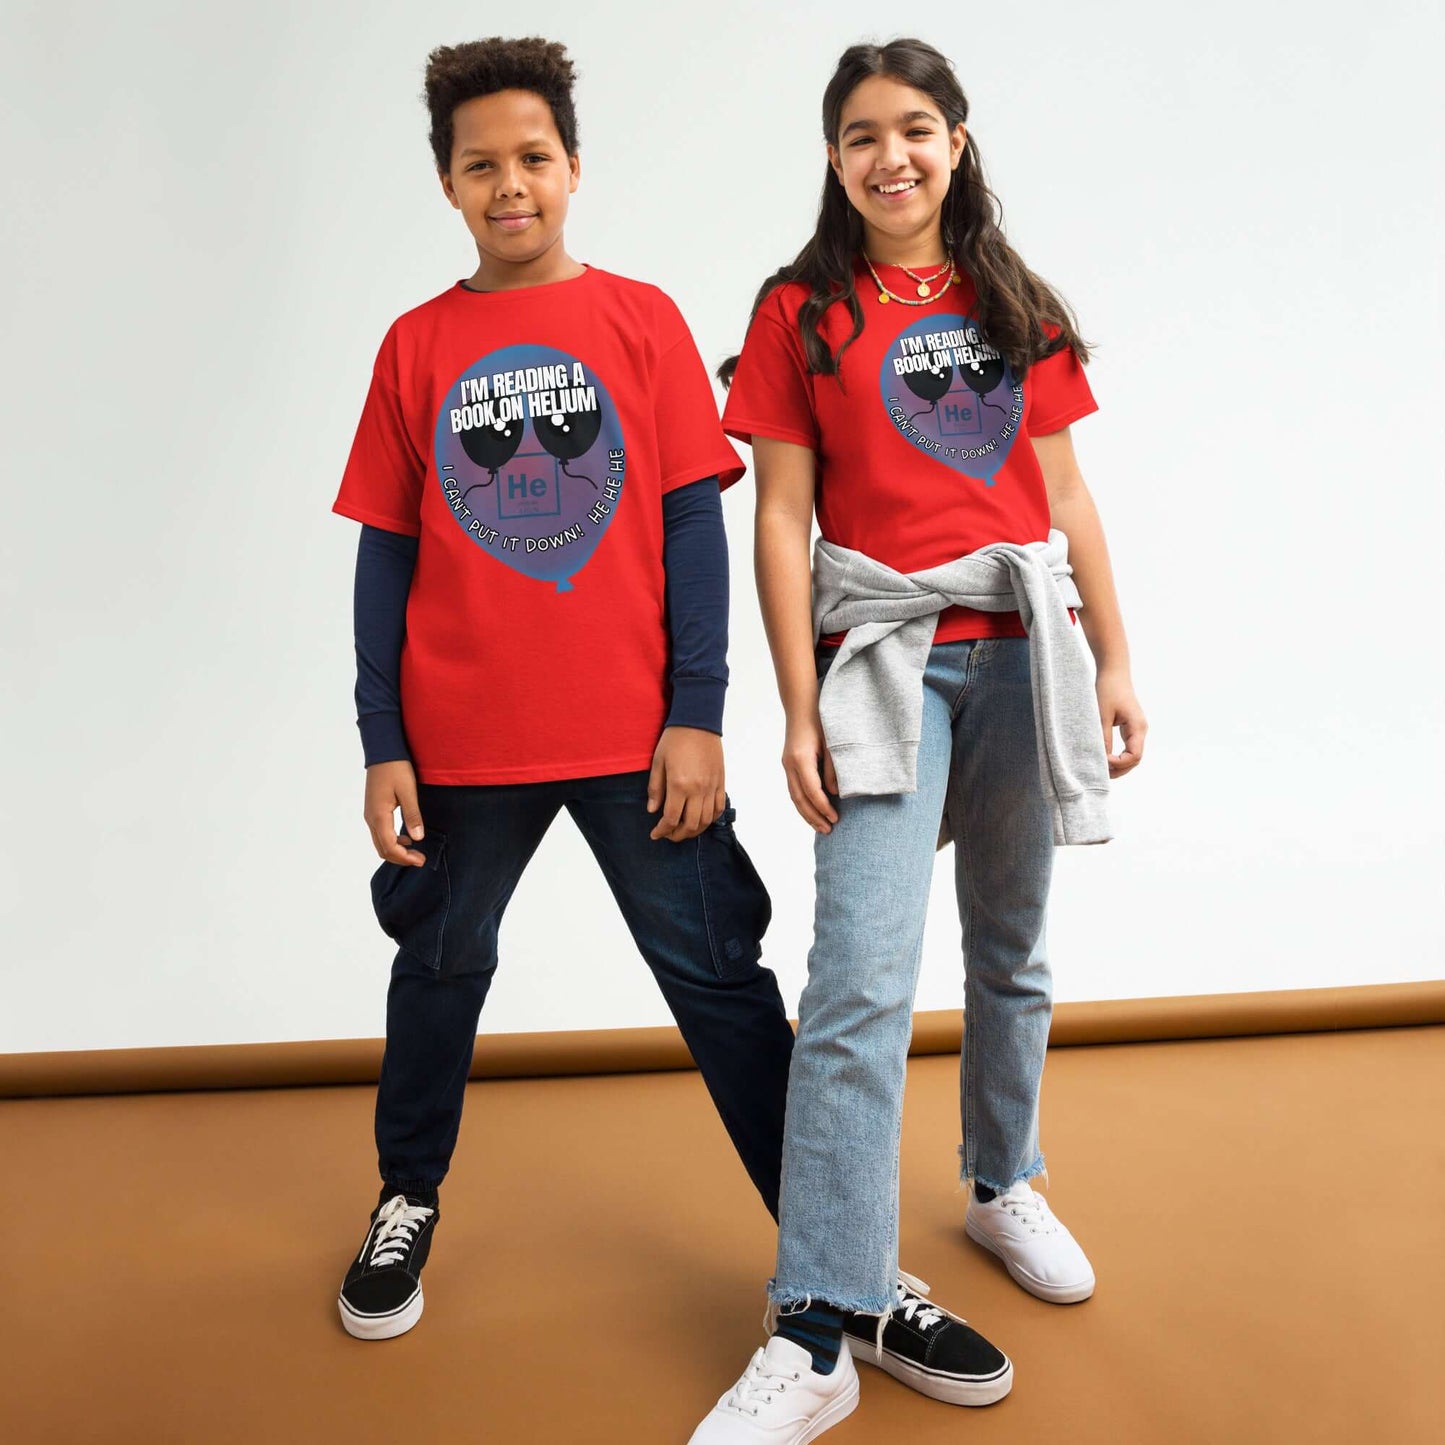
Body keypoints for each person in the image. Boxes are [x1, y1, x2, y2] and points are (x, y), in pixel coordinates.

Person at [329, 38, 1010, 1409]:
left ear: (572, 168)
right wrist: (380, 737)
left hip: (640, 745)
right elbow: (387, 555)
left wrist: (695, 717)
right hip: (460, 745)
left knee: (727, 994)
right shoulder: (416, 345)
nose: (509, 183)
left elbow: (692, 533)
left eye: (532, 158)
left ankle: (846, 1272)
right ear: (447, 185)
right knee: (439, 969)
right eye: (481, 165)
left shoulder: (637, 321)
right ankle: (407, 1194)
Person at [689, 36, 1147, 1443]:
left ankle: (1002, 1179)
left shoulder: (1015, 301)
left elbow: (1063, 499)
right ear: (832, 161)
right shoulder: (799, 311)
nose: (889, 155)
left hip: (1023, 655)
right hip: (886, 659)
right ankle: (819, 1319)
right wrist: (790, 703)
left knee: (1009, 944)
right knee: (857, 984)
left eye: (914, 129)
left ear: (955, 141)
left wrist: (1115, 655)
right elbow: (777, 517)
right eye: (858, 136)